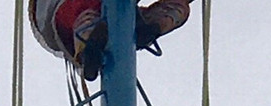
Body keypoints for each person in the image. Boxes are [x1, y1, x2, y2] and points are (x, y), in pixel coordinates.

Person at [29, 0, 193, 80]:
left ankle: (91, 40)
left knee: (95, 20)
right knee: (90, 18)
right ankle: (150, 25)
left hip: (67, 18)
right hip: (65, 11)